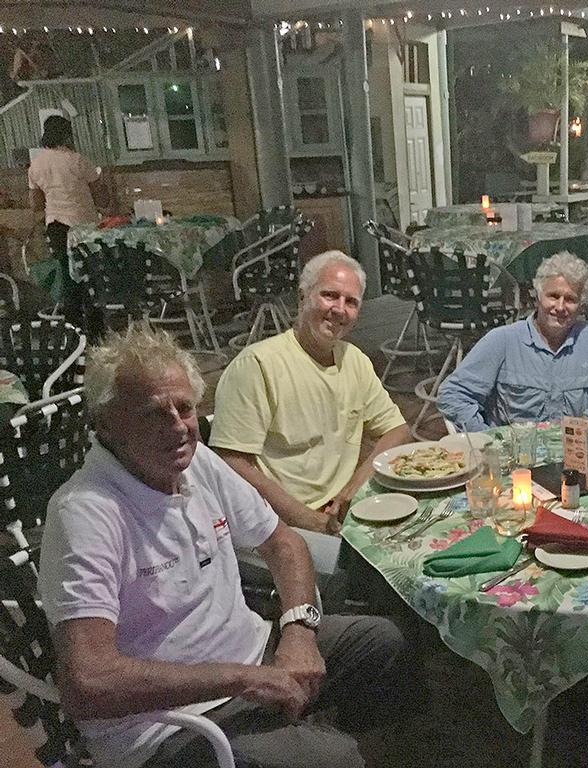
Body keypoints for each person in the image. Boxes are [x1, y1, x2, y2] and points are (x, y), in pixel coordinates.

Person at [38, 327, 404, 768]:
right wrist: (243, 679)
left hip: (251, 658)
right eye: (153, 414)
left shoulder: (195, 463)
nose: (177, 426)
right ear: (106, 425)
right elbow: (89, 682)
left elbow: (284, 544)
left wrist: (298, 632)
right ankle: (307, 744)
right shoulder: (85, 513)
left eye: (186, 408)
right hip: (169, 724)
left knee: (382, 643)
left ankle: (301, 735)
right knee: (335, 760)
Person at [210, 251, 412, 534]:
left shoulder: (354, 360)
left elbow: (397, 430)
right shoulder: (257, 365)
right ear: (303, 297)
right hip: (279, 523)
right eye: (330, 295)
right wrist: (307, 519)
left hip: (340, 512)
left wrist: (352, 490)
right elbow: (230, 462)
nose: (340, 309)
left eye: (351, 302)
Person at [437, 251, 588, 431]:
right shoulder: (502, 341)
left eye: (570, 299)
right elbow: (452, 395)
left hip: (579, 461)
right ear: (538, 296)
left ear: (581, 305)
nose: (560, 306)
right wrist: (486, 440)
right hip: (516, 467)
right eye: (553, 296)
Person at [28, 114, 104, 330]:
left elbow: (34, 203)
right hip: (84, 225)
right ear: (66, 134)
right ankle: (96, 328)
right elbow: (101, 197)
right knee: (91, 274)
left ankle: (73, 329)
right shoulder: (77, 160)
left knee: (68, 274)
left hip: (56, 226)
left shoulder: (37, 165)